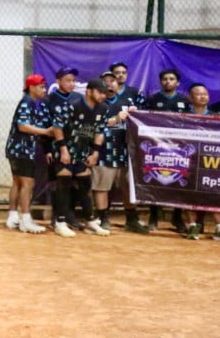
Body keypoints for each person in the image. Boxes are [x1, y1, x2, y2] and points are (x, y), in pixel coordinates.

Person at [51, 77, 110, 237]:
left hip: (83, 151)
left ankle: (90, 220)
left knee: (85, 185)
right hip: (65, 149)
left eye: (105, 93)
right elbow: (57, 127)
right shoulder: (73, 105)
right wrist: (63, 150)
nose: (103, 95)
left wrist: (95, 153)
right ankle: (60, 222)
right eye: (100, 92)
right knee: (64, 182)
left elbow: (100, 131)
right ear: (89, 91)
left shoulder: (103, 108)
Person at [92, 71, 148, 234]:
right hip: (103, 151)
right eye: (106, 81)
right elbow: (94, 125)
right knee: (102, 186)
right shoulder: (97, 104)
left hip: (125, 151)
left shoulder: (127, 101)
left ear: (118, 84)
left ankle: (131, 219)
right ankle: (103, 218)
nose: (110, 84)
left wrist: (136, 114)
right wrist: (116, 119)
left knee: (128, 187)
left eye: (113, 81)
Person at [4, 73, 52, 233]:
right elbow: (22, 126)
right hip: (22, 149)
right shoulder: (27, 102)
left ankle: (12, 216)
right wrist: (45, 131)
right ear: (31, 87)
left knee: (18, 183)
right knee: (27, 183)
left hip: (17, 149)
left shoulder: (31, 102)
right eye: (41, 87)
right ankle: (25, 219)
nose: (44, 90)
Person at [144, 68, 190, 232]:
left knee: (178, 180)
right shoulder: (153, 100)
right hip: (157, 147)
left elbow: (191, 123)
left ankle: (177, 217)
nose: (168, 82)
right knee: (156, 179)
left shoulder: (184, 101)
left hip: (178, 148)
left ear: (177, 83)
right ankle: (153, 216)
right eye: (165, 79)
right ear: (160, 82)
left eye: (171, 79)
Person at [41, 66, 86, 231]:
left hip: (77, 148)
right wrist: (47, 149)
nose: (71, 83)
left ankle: (70, 215)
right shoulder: (49, 100)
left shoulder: (79, 99)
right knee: (59, 182)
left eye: (73, 80)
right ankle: (57, 215)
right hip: (56, 147)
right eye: (67, 80)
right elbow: (45, 125)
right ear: (58, 81)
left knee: (76, 183)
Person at [182, 83, 220, 240]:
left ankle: (219, 227)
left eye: (205, 94)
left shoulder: (216, 116)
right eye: (198, 94)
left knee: (214, 191)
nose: (203, 96)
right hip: (188, 160)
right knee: (188, 193)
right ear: (190, 98)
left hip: (211, 160)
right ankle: (192, 226)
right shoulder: (181, 117)